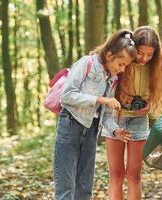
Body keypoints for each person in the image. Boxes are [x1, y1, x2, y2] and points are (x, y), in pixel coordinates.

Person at [53, 29, 136, 200]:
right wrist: (99, 99)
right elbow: (67, 96)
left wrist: (115, 131)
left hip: (91, 132)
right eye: (120, 64)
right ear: (109, 55)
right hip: (70, 126)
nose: (122, 69)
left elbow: (105, 115)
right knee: (66, 187)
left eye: (126, 66)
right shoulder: (86, 63)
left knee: (84, 188)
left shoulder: (112, 79)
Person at [101, 26, 162, 199]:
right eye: (139, 52)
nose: (144, 58)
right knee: (115, 175)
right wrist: (121, 101)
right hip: (116, 119)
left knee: (134, 175)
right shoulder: (122, 62)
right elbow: (105, 92)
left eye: (150, 54)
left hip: (139, 121)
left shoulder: (156, 70)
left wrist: (149, 107)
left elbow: (159, 102)